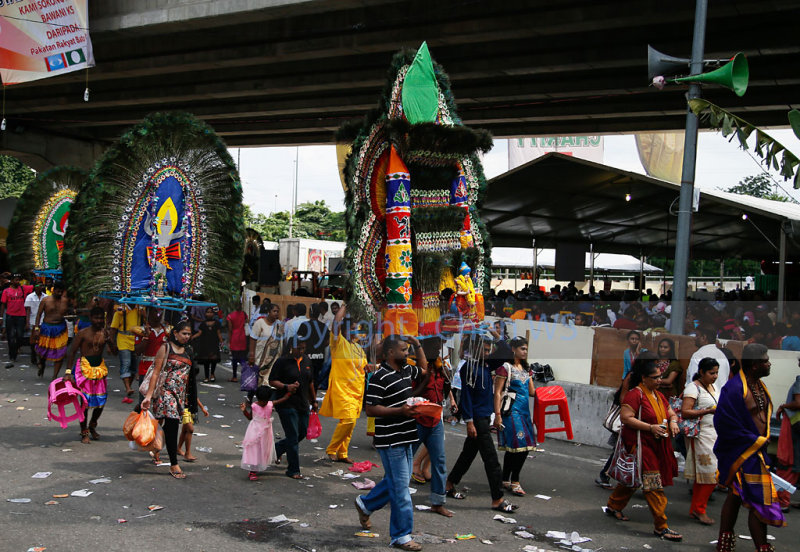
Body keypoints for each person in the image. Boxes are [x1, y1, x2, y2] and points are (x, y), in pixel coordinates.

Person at [354, 335, 426, 551]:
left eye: (407, 349)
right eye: (404, 350)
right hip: (391, 439)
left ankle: (366, 504)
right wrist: (400, 411)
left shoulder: (406, 370)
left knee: (397, 483)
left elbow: (424, 370)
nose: (407, 353)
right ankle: (401, 535)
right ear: (390, 353)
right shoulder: (379, 377)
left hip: (408, 436)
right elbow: (371, 409)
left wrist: (417, 345)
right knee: (401, 488)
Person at [714, 343, 786, 551]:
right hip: (741, 452)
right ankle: (762, 546)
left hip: (755, 453)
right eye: (765, 361)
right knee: (758, 501)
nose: (769, 364)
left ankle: (724, 543)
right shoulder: (735, 388)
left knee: (736, 495)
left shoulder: (758, 386)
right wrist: (754, 440)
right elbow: (724, 422)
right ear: (755, 365)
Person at [605, 352, 682, 542]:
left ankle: (614, 506)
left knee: (633, 479)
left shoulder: (657, 395)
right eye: (655, 378)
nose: (659, 381)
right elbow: (626, 418)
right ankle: (661, 526)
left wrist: (673, 421)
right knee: (653, 487)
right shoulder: (635, 394)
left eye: (660, 377)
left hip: (657, 445)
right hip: (641, 446)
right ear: (644, 378)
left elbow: (671, 412)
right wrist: (651, 427)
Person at [446, 331, 518, 513]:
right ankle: (497, 499)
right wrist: (469, 422)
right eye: (484, 350)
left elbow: (507, 352)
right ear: (475, 349)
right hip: (477, 419)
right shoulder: (467, 368)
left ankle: (448, 484)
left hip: (485, 416)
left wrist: (495, 335)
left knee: (468, 454)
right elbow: (466, 398)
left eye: (489, 350)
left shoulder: (486, 364)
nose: (488, 353)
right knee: (492, 460)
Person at [141, 320, 194, 479]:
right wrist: (149, 396)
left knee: (161, 424)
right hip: (165, 394)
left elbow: (190, 378)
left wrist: (191, 400)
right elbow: (156, 373)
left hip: (180, 395)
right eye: (184, 333)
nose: (186, 336)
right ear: (175, 333)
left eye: (189, 334)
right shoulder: (165, 348)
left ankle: (156, 449)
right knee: (171, 426)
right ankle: (174, 464)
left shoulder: (189, 350)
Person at [319, 303, 369, 463]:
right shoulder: (338, 343)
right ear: (345, 330)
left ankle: (343, 453)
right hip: (342, 389)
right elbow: (335, 324)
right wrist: (346, 306)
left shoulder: (358, 348)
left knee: (350, 423)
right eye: (353, 328)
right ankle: (332, 449)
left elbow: (364, 367)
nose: (356, 332)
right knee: (348, 420)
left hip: (357, 390)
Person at [412, 337, 455, 517]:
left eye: (440, 348)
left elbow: (444, 392)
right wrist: (426, 377)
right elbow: (412, 393)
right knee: (403, 459)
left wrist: (446, 380)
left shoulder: (440, 367)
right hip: (418, 420)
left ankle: (438, 502)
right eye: (435, 349)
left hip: (435, 420)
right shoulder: (415, 369)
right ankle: (387, 492)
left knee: (440, 461)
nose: (438, 351)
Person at [63, 307, 118, 444]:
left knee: (101, 402)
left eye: (101, 318)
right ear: (91, 318)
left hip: (99, 369)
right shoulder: (82, 333)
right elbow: (72, 352)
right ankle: (84, 431)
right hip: (84, 369)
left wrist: (110, 341)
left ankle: (92, 425)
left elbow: (114, 353)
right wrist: (68, 372)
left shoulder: (104, 333)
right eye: (96, 318)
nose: (99, 321)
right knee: (85, 403)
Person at [493, 336, 536, 496]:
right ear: (513, 349)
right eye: (522, 349)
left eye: (526, 349)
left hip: (524, 413)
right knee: (521, 447)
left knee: (513, 449)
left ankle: (505, 479)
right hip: (511, 412)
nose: (524, 352)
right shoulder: (505, 368)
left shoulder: (526, 369)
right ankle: (515, 481)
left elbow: (532, 392)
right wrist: (497, 415)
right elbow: (497, 392)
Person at [269, 335, 317, 479]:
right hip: (286, 403)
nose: (301, 350)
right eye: (298, 348)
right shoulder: (282, 362)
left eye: (303, 348)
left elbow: (310, 383)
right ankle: (293, 469)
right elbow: (272, 381)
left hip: (302, 404)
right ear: (291, 347)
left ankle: (277, 449)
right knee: (292, 437)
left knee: (301, 432)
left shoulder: (307, 361)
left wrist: (314, 401)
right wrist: (286, 386)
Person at [681, 357, 719, 525]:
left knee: (706, 475)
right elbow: (685, 412)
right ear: (702, 372)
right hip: (701, 435)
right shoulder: (693, 387)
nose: (715, 376)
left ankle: (696, 509)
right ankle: (699, 509)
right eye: (712, 373)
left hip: (714, 434)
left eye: (717, 372)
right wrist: (707, 411)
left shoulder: (713, 386)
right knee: (710, 474)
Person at [240, 385, 287, 481]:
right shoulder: (254, 406)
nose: (263, 403)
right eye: (262, 401)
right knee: (254, 449)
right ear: (257, 398)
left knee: (265, 448)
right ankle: (252, 470)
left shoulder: (270, 404)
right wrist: (244, 410)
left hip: (266, 431)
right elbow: (250, 418)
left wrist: (290, 391)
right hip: (255, 430)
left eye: (265, 401)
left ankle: (265, 462)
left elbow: (283, 399)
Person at [775, 364, 800, 512]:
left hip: (795, 426)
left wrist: (783, 406)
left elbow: (798, 403)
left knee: (788, 462)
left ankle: (783, 500)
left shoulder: (799, 381)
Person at [34, 281, 69, 378]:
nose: (59, 293)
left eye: (61, 292)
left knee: (60, 352)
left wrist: (70, 317)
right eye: (58, 291)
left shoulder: (65, 301)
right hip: (47, 328)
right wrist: (37, 328)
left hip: (60, 328)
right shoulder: (45, 300)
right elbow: (39, 314)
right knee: (43, 350)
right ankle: (42, 364)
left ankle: (55, 376)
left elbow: (67, 314)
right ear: (54, 290)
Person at [177, 358, 208, 462]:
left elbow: (194, 396)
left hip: (189, 407)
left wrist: (202, 408)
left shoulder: (191, 383)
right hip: (182, 407)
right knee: (190, 429)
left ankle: (178, 448)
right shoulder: (180, 379)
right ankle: (187, 453)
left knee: (185, 429)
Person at [110, 303, 142, 404]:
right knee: (126, 363)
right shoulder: (120, 311)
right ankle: (128, 387)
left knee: (134, 365)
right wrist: (111, 343)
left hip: (136, 340)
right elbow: (113, 329)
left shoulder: (140, 310)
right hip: (123, 340)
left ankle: (128, 386)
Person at [134, 308, 168, 404]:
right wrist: (147, 337)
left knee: (160, 401)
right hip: (146, 369)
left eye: (160, 311)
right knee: (144, 400)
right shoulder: (141, 330)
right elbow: (137, 351)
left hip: (162, 369)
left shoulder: (167, 330)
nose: (158, 314)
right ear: (148, 313)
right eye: (155, 311)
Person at [248, 303, 283, 390]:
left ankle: (266, 401)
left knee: (268, 382)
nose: (276, 313)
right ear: (268, 312)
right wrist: (251, 355)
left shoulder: (280, 325)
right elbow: (253, 339)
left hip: (274, 358)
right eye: (274, 311)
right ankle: (251, 399)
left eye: (277, 312)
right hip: (260, 357)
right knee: (257, 381)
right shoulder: (259, 323)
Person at [686, 324, 730, 392]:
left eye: (697, 335)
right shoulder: (723, 356)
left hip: (703, 399)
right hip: (721, 399)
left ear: (704, 337)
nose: (695, 338)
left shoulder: (698, 355)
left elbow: (694, 383)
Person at [1, 274, 30, 369]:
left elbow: (36, 285)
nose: (18, 282)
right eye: (16, 280)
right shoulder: (6, 291)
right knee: (10, 336)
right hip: (10, 316)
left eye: (19, 280)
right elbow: (3, 304)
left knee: (20, 335)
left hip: (21, 316)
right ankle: (12, 355)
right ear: (12, 281)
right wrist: (1, 318)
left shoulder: (23, 289)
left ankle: (16, 349)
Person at [192, 307, 222, 383]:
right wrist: (191, 337)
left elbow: (219, 333)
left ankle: (212, 374)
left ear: (213, 313)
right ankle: (206, 376)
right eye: (207, 312)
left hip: (214, 343)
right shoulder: (203, 324)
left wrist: (221, 341)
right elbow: (199, 333)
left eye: (211, 312)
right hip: (205, 344)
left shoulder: (217, 323)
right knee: (206, 361)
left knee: (213, 360)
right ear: (205, 314)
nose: (209, 314)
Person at [226, 299, 248, 382]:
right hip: (242, 336)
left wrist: (229, 340)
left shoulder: (230, 316)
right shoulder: (244, 314)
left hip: (234, 337)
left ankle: (234, 376)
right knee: (242, 357)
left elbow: (230, 329)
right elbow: (246, 323)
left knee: (235, 358)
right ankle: (245, 376)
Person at [24, 282, 45, 366]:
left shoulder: (46, 297)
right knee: (33, 340)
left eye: (42, 285)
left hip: (43, 320)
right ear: (35, 287)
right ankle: (33, 354)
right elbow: (28, 310)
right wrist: (27, 322)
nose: (41, 287)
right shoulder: (30, 297)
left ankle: (41, 358)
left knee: (42, 341)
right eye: (39, 285)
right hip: (33, 320)